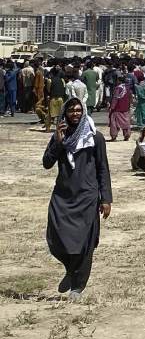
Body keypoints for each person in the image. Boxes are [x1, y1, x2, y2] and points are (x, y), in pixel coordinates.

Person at [42, 98, 112, 301]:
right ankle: (70, 269)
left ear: (83, 112)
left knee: (84, 243)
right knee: (56, 238)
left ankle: (78, 286)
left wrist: (106, 198)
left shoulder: (94, 137)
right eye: (71, 110)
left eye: (78, 110)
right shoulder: (60, 135)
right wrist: (57, 141)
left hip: (87, 196)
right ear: (65, 112)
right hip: (63, 195)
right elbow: (47, 163)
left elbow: (102, 168)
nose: (75, 113)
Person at [107, 76, 132, 142]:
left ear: (119, 81)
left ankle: (114, 136)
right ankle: (127, 135)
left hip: (117, 109)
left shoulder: (118, 88)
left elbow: (115, 99)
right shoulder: (127, 88)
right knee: (126, 122)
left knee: (114, 123)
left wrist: (112, 107)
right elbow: (130, 98)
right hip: (125, 108)